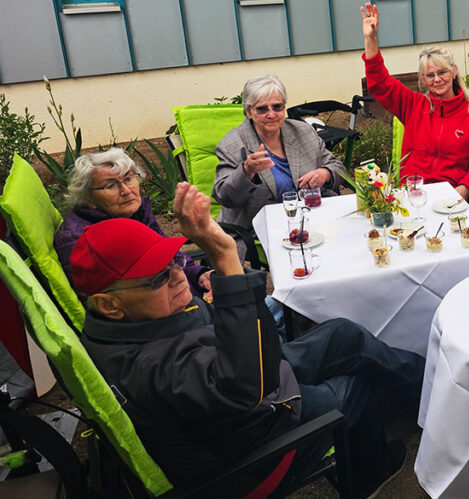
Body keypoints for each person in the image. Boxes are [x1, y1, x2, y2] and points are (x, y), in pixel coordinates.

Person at [74, 183, 424, 497]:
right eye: (156, 279)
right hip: (251, 451)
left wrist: (229, 293)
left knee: (342, 333)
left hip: (241, 390)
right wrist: (226, 258)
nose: (178, 276)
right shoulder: (154, 368)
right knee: (352, 389)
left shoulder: (138, 318)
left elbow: (248, 350)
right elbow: (249, 387)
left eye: (173, 263)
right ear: (109, 305)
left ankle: (424, 392)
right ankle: (369, 476)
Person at [361, 2, 469, 200]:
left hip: (449, 196)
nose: (437, 79)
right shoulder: (412, 104)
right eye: (430, 75)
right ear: (423, 79)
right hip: (411, 195)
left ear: (454, 71)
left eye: (442, 72)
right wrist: (371, 39)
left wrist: (465, 187)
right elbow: (379, 83)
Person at [213, 75, 346, 256]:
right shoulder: (233, 144)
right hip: (259, 229)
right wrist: (246, 171)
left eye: (277, 106)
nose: (271, 114)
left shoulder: (302, 131)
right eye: (262, 109)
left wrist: (325, 173)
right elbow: (225, 197)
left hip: (312, 219)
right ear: (248, 112)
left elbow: (337, 167)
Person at [55, 148, 211, 296]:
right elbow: (111, 301)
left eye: (128, 179)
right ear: (87, 198)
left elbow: (172, 259)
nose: (126, 190)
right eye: (110, 185)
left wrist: (199, 275)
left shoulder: (135, 213)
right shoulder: (80, 240)